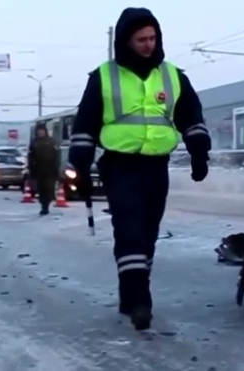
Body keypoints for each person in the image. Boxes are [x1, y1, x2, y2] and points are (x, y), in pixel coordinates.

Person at [68, 7, 211, 330]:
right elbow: (86, 122)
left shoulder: (173, 75)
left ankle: (128, 294)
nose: (148, 44)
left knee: (148, 233)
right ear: (125, 41)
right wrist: (79, 163)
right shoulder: (104, 76)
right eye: (141, 39)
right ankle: (141, 301)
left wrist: (199, 153)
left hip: (156, 166)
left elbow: (191, 116)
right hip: (119, 164)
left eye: (153, 38)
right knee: (129, 228)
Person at [27, 123, 60, 215]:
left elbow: (56, 156)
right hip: (38, 170)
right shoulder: (34, 142)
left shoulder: (51, 142)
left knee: (48, 188)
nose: (41, 132)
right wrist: (31, 168)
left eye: (42, 131)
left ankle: (47, 204)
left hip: (50, 170)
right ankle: (43, 206)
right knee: (41, 189)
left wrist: (56, 168)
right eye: (39, 131)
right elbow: (30, 156)